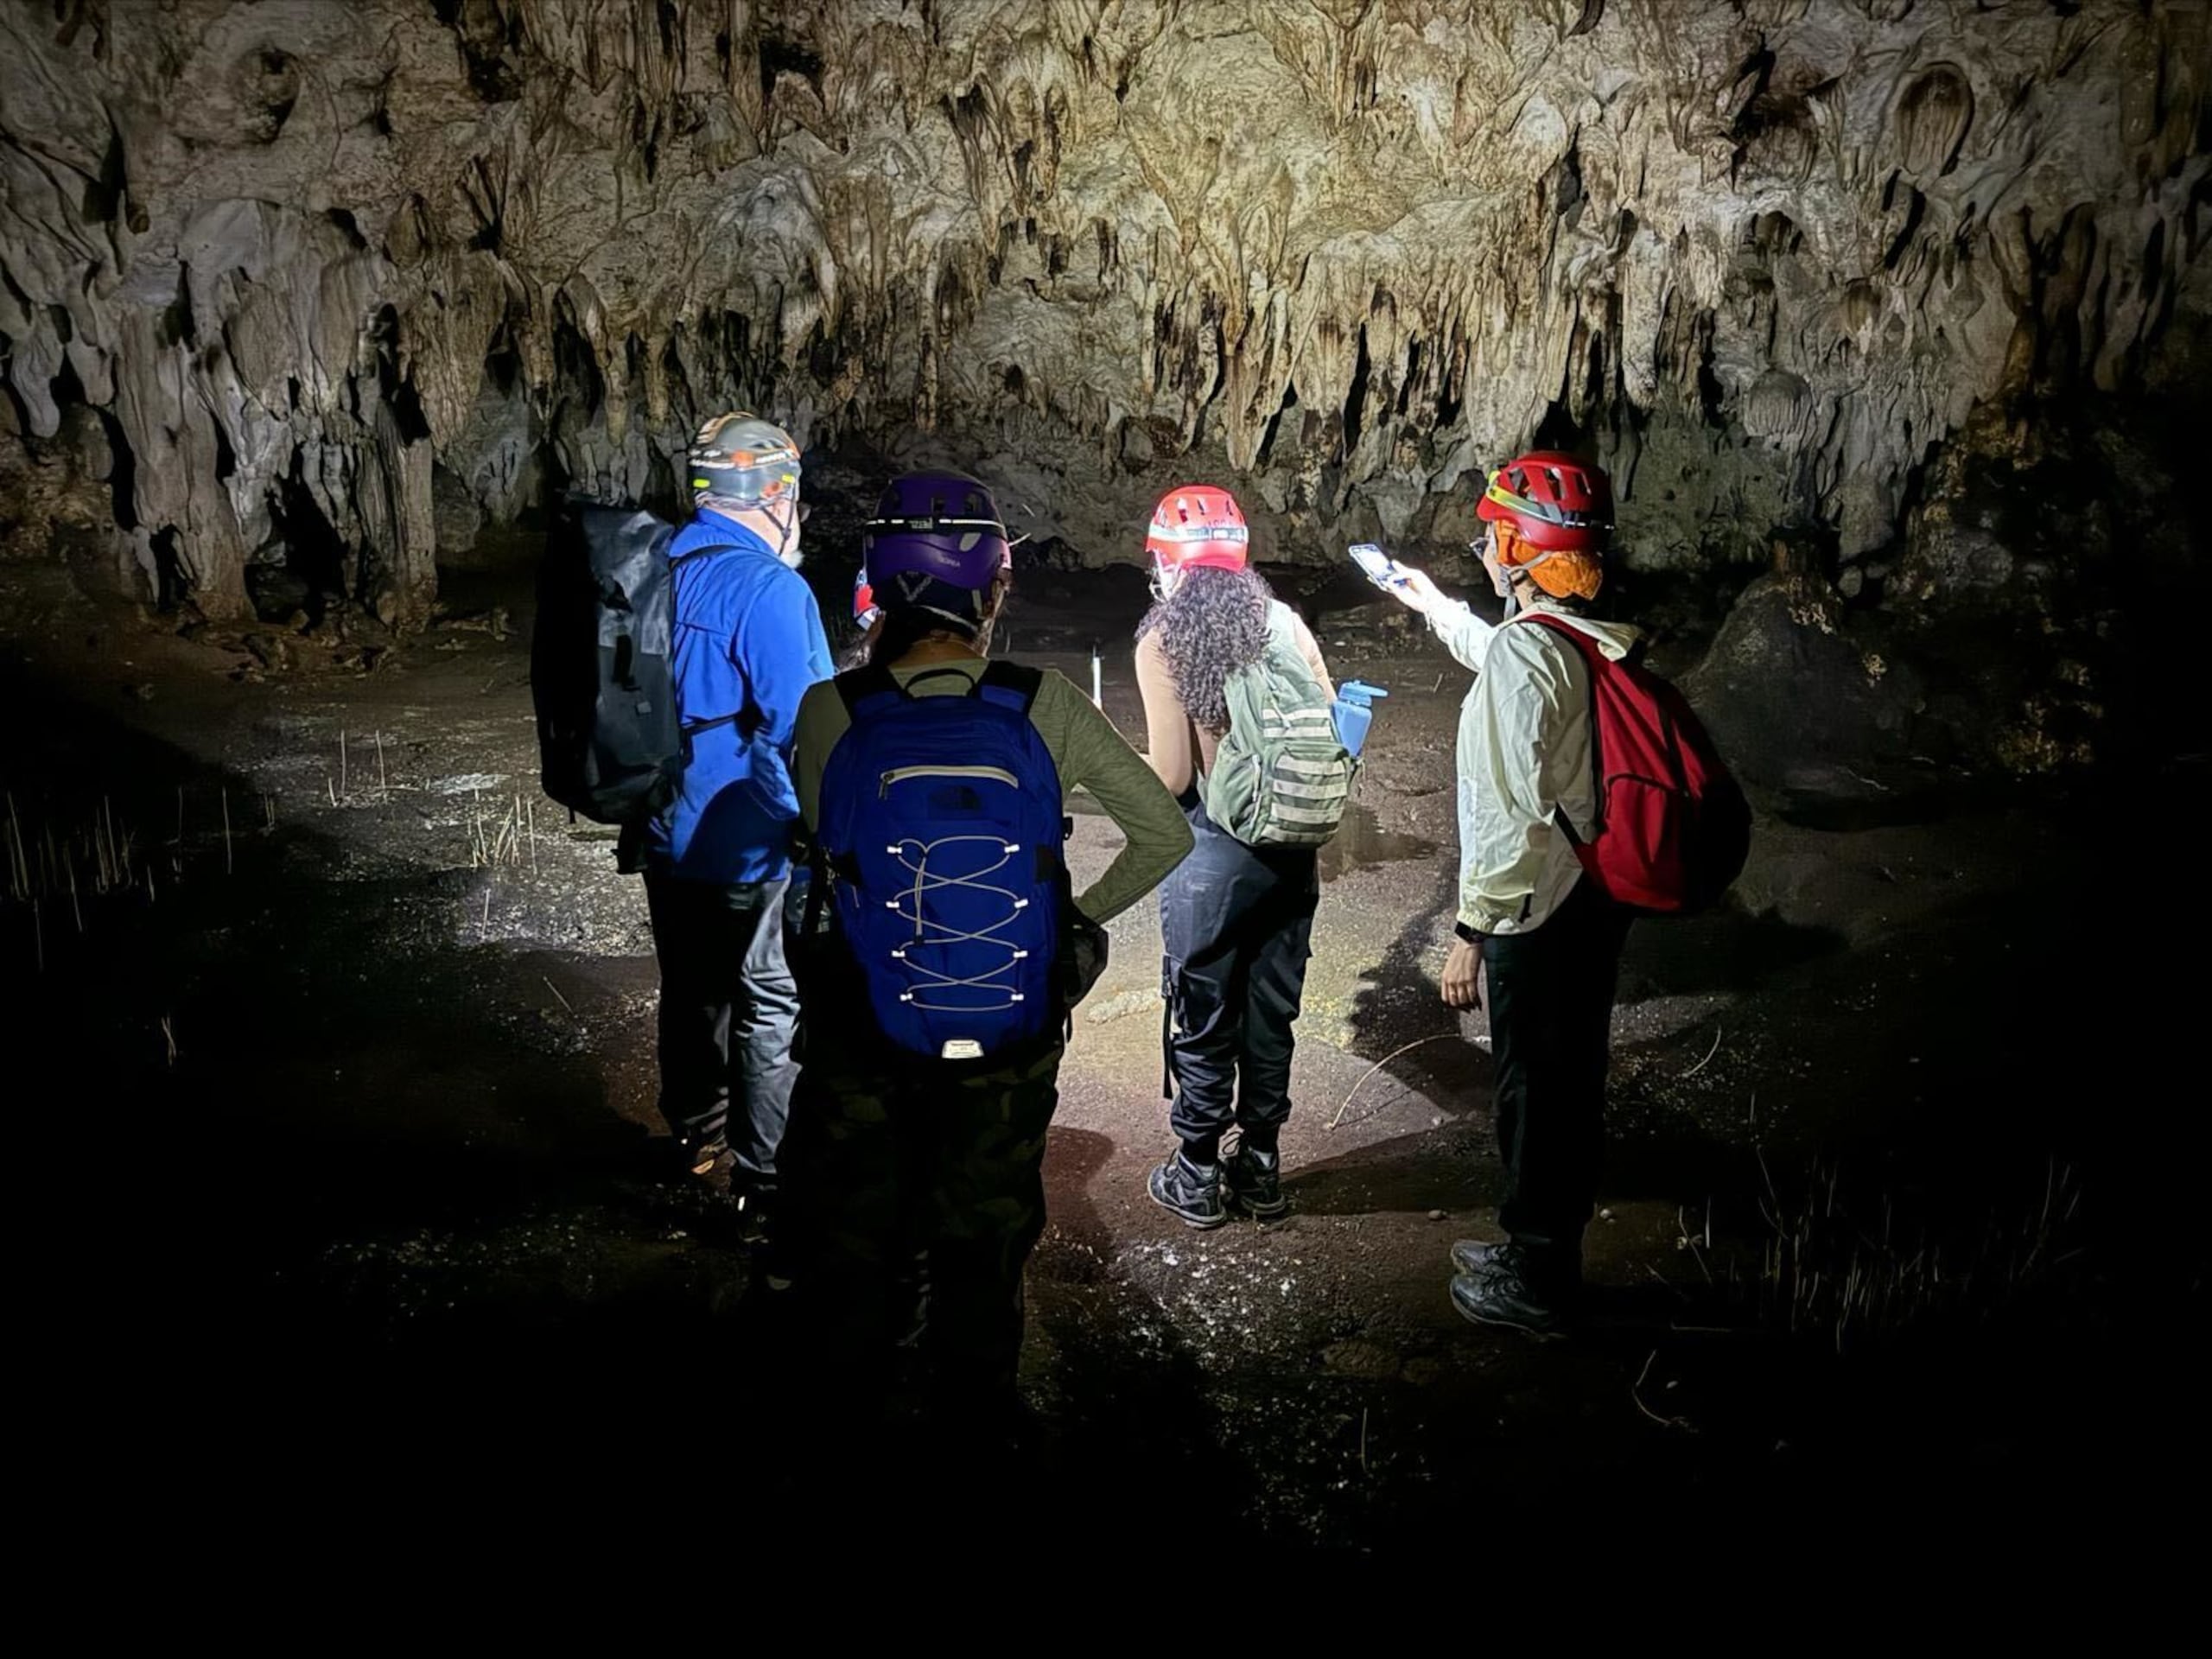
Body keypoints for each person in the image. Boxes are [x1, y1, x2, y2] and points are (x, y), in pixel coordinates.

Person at [784, 469, 1189, 1431]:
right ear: (994, 590)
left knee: (862, 1226)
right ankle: (972, 1414)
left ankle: (854, 1406)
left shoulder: (828, 711)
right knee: (985, 1224)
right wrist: (1071, 922)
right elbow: (1162, 834)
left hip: (861, 1021)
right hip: (1007, 1015)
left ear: (876, 588)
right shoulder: (1041, 703)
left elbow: (823, 855)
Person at [1383, 449, 1640, 1336]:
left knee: (1538, 1090)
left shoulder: (1525, 659)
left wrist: (1472, 931)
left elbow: (1504, 812)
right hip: (1591, 897)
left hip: (1540, 909)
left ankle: (1537, 1277)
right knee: (1566, 1080)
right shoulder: (1573, 637)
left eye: (1492, 533)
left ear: (1515, 547)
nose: (1482, 545)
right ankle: (1540, 1248)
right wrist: (1432, 605)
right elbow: (1501, 654)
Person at [639, 411, 831, 1233]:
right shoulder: (771, 591)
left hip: (659, 828)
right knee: (769, 999)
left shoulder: (653, 566)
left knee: (689, 987)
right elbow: (807, 729)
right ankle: (764, 1177)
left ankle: (694, 1129)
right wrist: (821, 828)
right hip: (746, 840)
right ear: (779, 493)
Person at [1134, 484, 1337, 1229]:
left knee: (1204, 1009)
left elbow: (1172, 778)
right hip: (1291, 848)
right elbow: (1329, 723)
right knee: (1270, 1012)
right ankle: (1261, 1168)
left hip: (1211, 859)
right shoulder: (1286, 623)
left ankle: (1194, 1170)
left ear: (1169, 564)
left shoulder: (1163, 639)